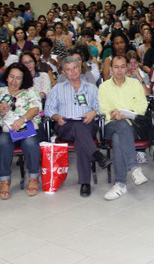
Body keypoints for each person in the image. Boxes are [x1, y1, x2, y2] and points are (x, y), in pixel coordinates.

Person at [44, 56, 111, 197]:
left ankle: (87, 178)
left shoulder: (92, 88)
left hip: (87, 125)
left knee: (81, 133)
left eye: (75, 68)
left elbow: (101, 108)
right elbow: (48, 110)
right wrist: (56, 117)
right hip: (65, 126)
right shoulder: (57, 89)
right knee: (78, 129)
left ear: (80, 68)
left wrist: (94, 112)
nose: (72, 71)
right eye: (68, 69)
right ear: (64, 72)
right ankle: (95, 159)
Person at [99, 56, 148, 200]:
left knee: (118, 137)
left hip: (132, 126)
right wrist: (116, 116)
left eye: (122, 67)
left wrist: (125, 114)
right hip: (110, 125)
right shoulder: (104, 87)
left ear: (126, 68)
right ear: (111, 69)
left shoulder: (135, 84)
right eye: (116, 67)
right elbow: (104, 109)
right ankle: (134, 168)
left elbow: (142, 106)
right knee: (119, 127)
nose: (119, 70)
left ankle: (120, 184)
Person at [0, 63, 42, 199]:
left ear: (23, 79)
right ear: (6, 77)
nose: (14, 81)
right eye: (11, 77)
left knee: (30, 143)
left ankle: (33, 178)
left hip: (26, 126)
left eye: (18, 78)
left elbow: (35, 109)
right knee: (2, 141)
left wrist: (22, 119)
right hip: (7, 129)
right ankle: (5, 181)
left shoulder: (30, 91)